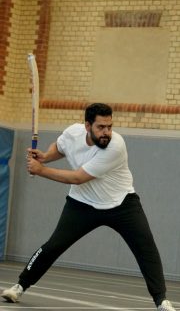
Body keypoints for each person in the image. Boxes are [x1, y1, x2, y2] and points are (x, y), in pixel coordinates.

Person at [1, 103, 176, 310]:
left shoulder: (116, 146)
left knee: (146, 248)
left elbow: (78, 177)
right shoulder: (72, 133)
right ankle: (20, 286)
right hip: (82, 204)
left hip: (121, 204)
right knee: (53, 246)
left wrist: (41, 170)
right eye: (101, 127)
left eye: (109, 127)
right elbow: (60, 146)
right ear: (87, 126)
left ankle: (161, 301)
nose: (106, 132)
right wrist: (46, 156)